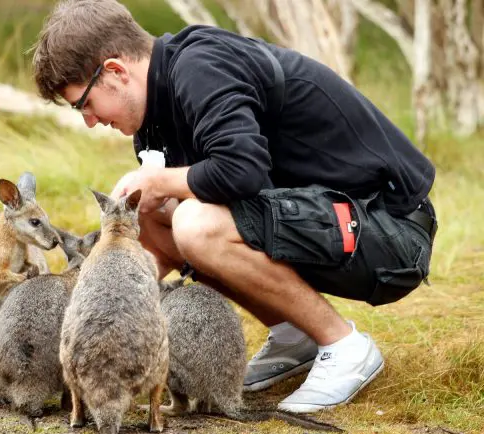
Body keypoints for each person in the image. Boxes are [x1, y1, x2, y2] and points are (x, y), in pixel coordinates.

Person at [31, 0, 437, 413]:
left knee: (195, 223)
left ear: (116, 71)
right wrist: (83, 328)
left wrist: (160, 181)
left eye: (84, 104)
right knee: (150, 216)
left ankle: (344, 345)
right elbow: (153, 253)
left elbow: (242, 171)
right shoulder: (154, 117)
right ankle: (293, 335)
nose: (90, 121)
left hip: (391, 230)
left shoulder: (201, 68)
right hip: (330, 223)